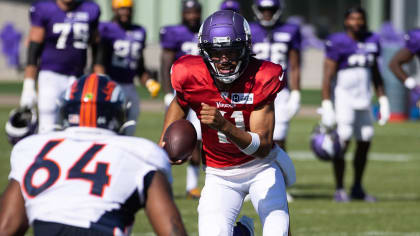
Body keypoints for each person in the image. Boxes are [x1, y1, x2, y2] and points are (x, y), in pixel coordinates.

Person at [160, 10, 295, 235]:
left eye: (231, 51)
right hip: (220, 174)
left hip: (261, 168)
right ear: (205, 52)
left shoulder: (262, 76)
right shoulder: (190, 74)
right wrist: (164, 144)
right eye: (216, 52)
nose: (224, 60)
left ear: (245, 48)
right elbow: (180, 102)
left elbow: (262, 147)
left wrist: (224, 126)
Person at [0, 74, 187, 236]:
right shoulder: (142, 153)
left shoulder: (32, 148)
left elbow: (7, 226)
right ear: (119, 114)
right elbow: (171, 230)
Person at [321, 6, 390, 202]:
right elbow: (327, 77)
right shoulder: (338, 42)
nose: (357, 22)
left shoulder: (372, 40)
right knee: (342, 141)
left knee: (365, 140)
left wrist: (383, 99)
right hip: (344, 98)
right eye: (353, 19)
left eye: (360, 19)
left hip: (364, 99)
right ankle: (340, 188)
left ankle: (357, 186)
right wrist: (327, 104)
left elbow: (376, 73)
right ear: (346, 21)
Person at [19, 0, 101, 133]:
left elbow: (97, 47)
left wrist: (99, 78)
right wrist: (28, 85)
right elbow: (34, 49)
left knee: (79, 127)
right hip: (50, 76)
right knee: (48, 126)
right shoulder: (44, 8)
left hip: (78, 78)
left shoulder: (90, 9)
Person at [249, 0, 301, 202]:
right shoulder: (250, 29)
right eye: (263, 9)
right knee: (254, 137)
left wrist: (296, 91)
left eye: (270, 9)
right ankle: (253, 183)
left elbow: (295, 65)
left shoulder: (290, 30)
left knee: (278, 138)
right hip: (256, 90)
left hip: (281, 91)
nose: (267, 13)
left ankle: (280, 184)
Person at [94, 0, 161, 136]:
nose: (126, 12)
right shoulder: (106, 29)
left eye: (128, 9)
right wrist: (103, 84)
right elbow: (99, 60)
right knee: (110, 126)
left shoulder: (139, 31)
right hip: (112, 84)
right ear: (114, 9)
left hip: (130, 86)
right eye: (122, 8)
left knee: (131, 124)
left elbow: (139, 65)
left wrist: (148, 82)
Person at [160, 0, 202, 199]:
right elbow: (166, 61)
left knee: (198, 140)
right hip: (181, 93)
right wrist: (168, 92)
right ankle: (164, 182)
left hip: (202, 91)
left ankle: (192, 186)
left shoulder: (206, 31)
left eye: (195, 12)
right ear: (183, 13)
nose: (192, 16)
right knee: (171, 139)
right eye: (189, 12)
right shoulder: (173, 33)